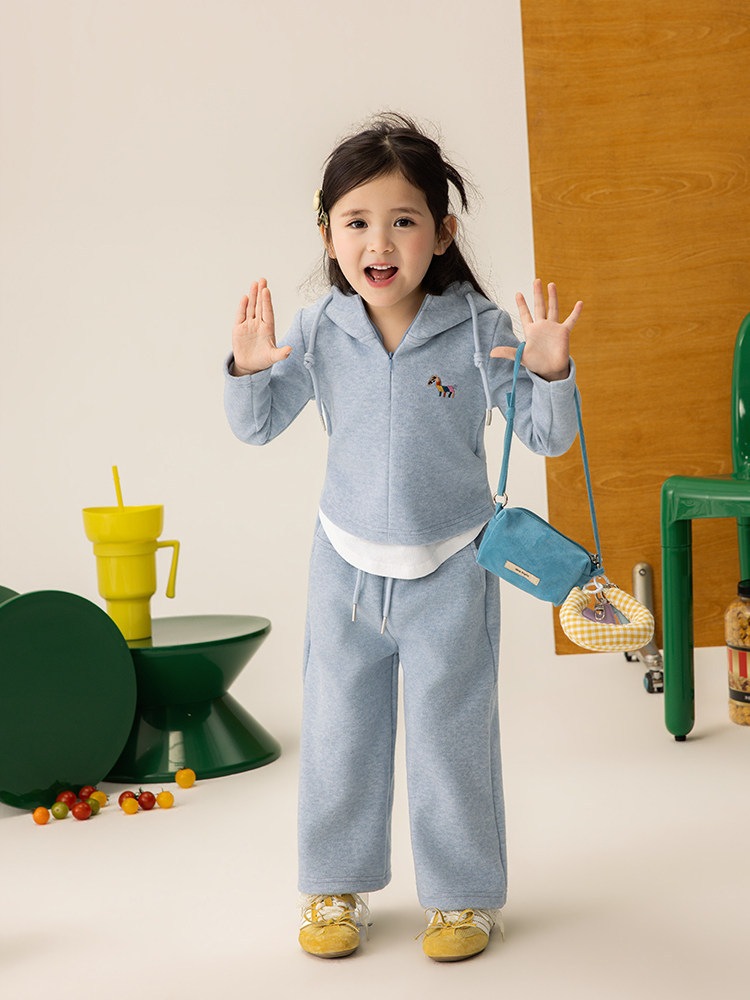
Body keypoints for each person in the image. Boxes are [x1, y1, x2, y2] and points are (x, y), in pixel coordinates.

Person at [224, 113, 583, 962]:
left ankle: (462, 898)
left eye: (403, 220)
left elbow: (546, 437)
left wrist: (549, 370)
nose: (378, 242)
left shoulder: (480, 329)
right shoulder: (319, 329)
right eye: (356, 221)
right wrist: (247, 369)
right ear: (328, 234)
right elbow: (258, 426)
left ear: (442, 232)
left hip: (451, 570)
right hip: (344, 573)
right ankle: (334, 887)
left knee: (451, 740)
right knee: (338, 736)